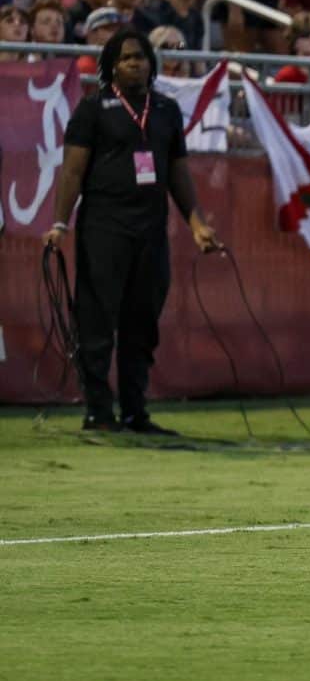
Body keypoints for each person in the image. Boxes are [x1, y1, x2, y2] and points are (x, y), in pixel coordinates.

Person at [41, 29, 220, 434]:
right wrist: (58, 222)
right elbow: (72, 171)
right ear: (111, 67)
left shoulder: (166, 110)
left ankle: (137, 412)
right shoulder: (92, 109)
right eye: (124, 58)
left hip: (151, 230)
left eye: (140, 57)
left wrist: (198, 224)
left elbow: (178, 172)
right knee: (97, 322)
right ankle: (98, 413)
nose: (135, 63)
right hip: (103, 228)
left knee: (143, 323)